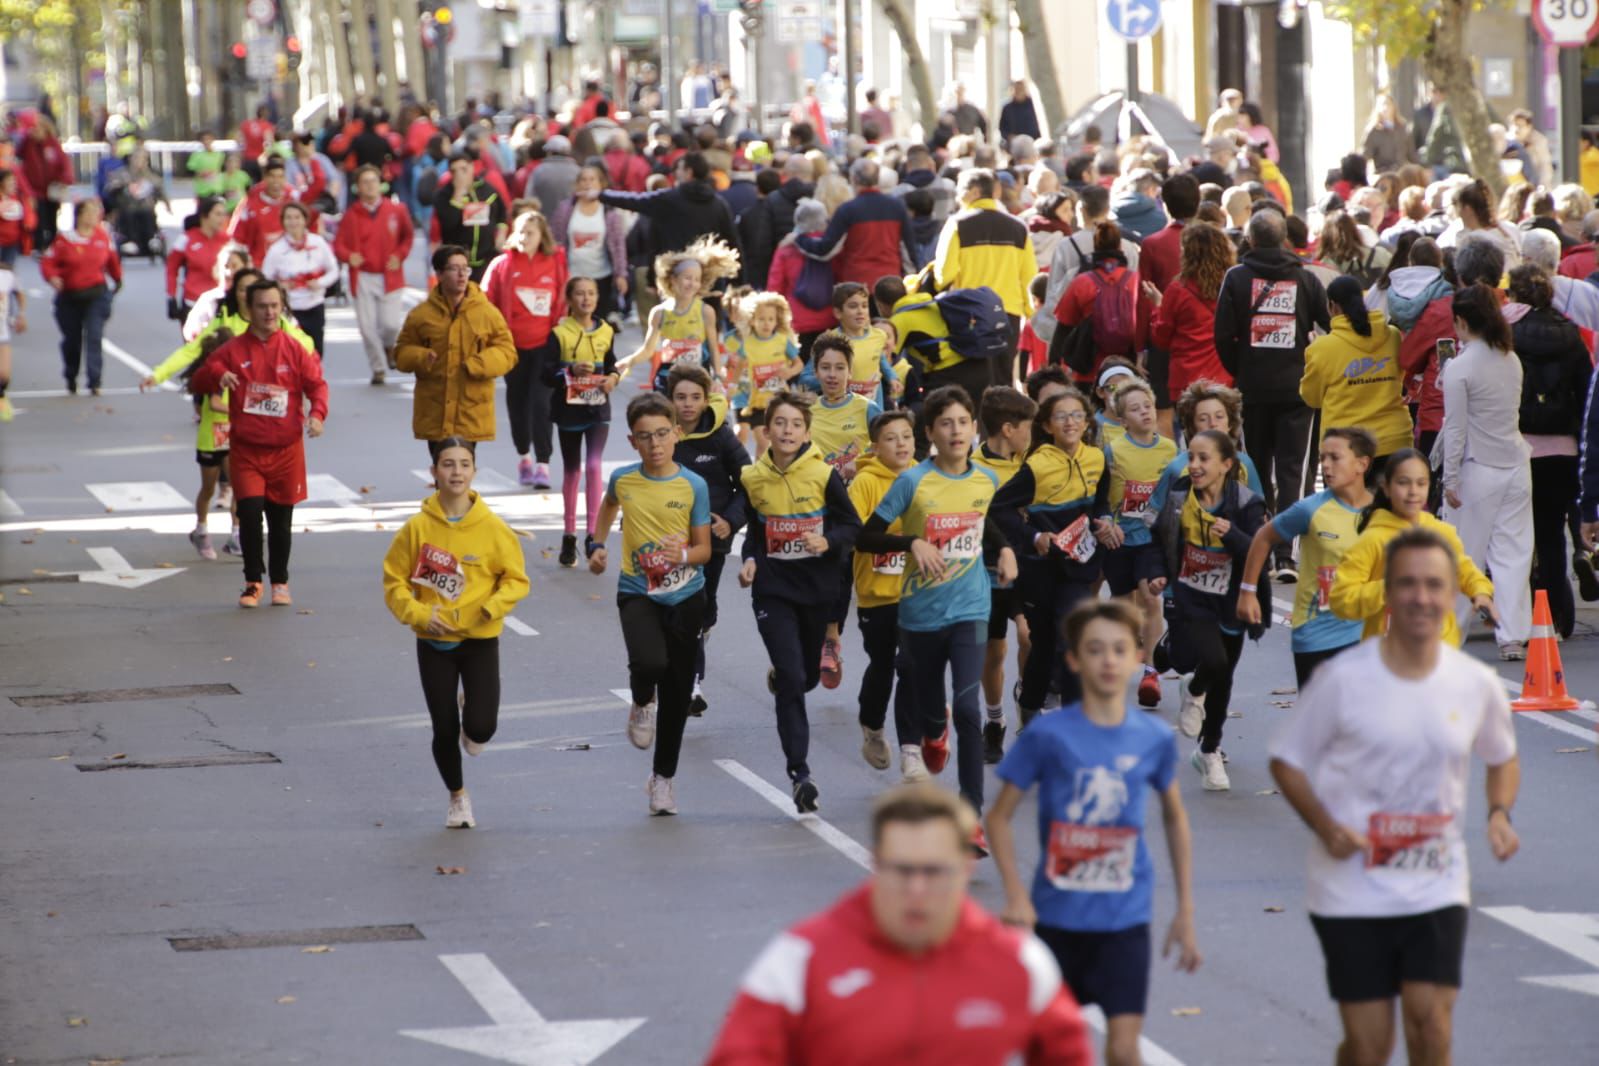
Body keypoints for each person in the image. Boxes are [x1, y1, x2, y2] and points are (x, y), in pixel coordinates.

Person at [1269, 526, 1519, 1066]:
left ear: (1452, 590)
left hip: (1435, 881)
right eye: (1406, 584)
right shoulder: (1342, 680)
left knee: (1431, 1027)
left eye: (1434, 584)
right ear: (1387, 591)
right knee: (1370, 1045)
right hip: (1351, 885)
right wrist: (1327, 827)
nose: (1421, 597)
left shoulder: (1474, 684)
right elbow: (1286, 762)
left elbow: (1501, 756)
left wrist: (1498, 813)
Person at [705, 783, 1093, 1065]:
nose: (917, 889)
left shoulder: (1020, 962)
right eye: (902, 870)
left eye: (934, 871)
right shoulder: (800, 960)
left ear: (964, 868)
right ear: (875, 863)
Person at [988, 600, 1200, 1066]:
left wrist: (1184, 909)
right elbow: (998, 817)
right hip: (1056, 923)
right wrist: (1015, 895)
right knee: (1050, 1051)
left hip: (1124, 923)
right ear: (1074, 660)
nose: (1107, 660)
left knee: (1124, 1050)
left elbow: (1174, 818)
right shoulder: (1048, 736)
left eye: (1119, 650)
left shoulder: (1155, 739)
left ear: (1134, 658)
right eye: (1095, 650)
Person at [857, 386, 1018, 844]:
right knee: (933, 711)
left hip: (970, 607)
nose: (956, 432)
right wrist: (911, 543)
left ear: (974, 428)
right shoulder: (912, 482)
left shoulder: (985, 479)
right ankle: (932, 729)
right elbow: (865, 538)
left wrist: (1005, 549)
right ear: (930, 432)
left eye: (963, 423)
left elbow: (985, 521)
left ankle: (971, 820)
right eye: (945, 423)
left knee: (969, 711)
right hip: (920, 615)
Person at [381, 437, 530, 829]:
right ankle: (457, 797)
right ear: (433, 473)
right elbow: (393, 581)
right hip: (434, 641)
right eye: (448, 464)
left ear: (474, 471)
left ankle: (473, 713)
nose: (457, 472)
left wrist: (489, 608)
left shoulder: (493, 529)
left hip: (480, 638)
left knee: (481, 728)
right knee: (443, 725)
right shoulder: (416, 529)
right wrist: (418, 613)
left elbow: (516, 580)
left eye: (465, 464)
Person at [586, 393, 712, 815]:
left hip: (685, 593)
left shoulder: (694, 484)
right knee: (648, 664)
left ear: (676, 433)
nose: (655, 444)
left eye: (662, 434)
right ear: (632, 441)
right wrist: (597, 544)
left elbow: (704, 551)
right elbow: (606, 508)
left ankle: (663, 780)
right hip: (638, 590)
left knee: (677, 693)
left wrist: (680, 556)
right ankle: (641, 702)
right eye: (644, 437)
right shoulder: (624, 479)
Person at [738, 391, 863, 811]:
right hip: (773, 589)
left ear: (807, 433)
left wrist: (827, 540)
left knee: (805, 677)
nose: (787, 431)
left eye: (795, 425)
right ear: (766, 430)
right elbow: (755, 532)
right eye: (780, 423)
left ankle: (792, 674)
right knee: (792, 678)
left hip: (817, 590)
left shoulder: (823, 475)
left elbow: (851, 525)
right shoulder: (753, 478)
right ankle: (800, 773)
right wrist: (750, 559)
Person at [189, 280, 329, 608]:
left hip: (286, 450)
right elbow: (199, 378)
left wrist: (317, 415)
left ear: (282, 308)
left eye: (274, 306)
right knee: (250, 513)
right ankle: (253, 581)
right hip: (247, 450)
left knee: (281, 520)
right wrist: (216, 376)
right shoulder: (234, 349)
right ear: (249, 310)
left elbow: (317, 385)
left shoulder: (294, 349)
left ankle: (280, 582)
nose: (269, 312)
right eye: (262, 306)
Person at [1214, 209, 1331, 581]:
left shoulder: (1236, 277)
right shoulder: (1305, 277)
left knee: (1258, 467)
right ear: (1284, 239)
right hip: (1297, 388)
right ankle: (1286, 555)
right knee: (1293, 470)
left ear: (1249, 239)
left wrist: (1242, 368)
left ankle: (1261, 550)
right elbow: (1328, 323)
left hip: (1253, 389)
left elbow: (1221, 335)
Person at [1150, 429, 1269, 791]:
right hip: (1192, 594)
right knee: (1214, 663)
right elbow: (1159, 537)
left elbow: (1257, 552)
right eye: (1191, 457)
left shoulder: (1247, 503)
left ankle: (1210, 750)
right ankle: (1195, 687)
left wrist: (1231, 534)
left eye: (1204, 459)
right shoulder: (1178, 496)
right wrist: (1156, 572)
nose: (1195, 465)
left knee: (1225, 678)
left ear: (1227, 465)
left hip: (1233, 599)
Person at [991, 387, 1108, 733]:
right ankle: (1029, 707)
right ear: (1047, 424)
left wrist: (1106, 522)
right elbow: (999, 508)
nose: (1070, 422)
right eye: (1061, 416)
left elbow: (1100, 503)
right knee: (1042, 646)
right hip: (1039, 570)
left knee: (1073, 638)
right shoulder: (1037, 465)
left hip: (1078, 567)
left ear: (1087, 422)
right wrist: (1035, 537)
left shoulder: (1097, 459)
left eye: (1076, 415)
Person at [1438, 284, 1532, 659]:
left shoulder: (1459, 368)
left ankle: (1452, 634)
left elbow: (1455, 429)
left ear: (1461, 321)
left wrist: (1449, 479)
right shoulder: (1511, 359)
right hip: (1515, 462)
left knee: (1464, 554)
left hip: (1477, 469)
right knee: (1513, 553)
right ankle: (1511, 634)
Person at [1239, 428, 1375, 687]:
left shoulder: (1382, 514)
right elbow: (1263, 537)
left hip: (1364, 632)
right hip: (1315, 633)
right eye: (1322, 458)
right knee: (1320, 722)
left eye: (1335, 458)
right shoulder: (1311, 509)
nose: (1325, 465)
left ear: (1362, 463)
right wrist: (1248, 591)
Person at [1506, 264, 1593, 638]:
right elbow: (1588, 391)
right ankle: (1555, 617)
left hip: (1520, 447)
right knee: (1552, 534)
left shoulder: (1506, 335)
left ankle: (1527, 612)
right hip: (1563, 449)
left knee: (1519, 536)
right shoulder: (1571, 334)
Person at [1330, 450, 1494, 648]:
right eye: (1403, 482)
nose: (1413, 491)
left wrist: (1481, 594)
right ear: (1387, 488)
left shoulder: (1442, 533)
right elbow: (1341, 599)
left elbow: (1465, 571)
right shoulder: (1373, 540)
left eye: (1421, 483)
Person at [668, 361, 749, 715]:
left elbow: (749, 483)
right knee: (687, 607)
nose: (687, 404)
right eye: (681, 397)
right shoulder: (662, 432)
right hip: (671, 539)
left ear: (706, 399)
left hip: (712, 539)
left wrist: (730, 521)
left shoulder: (720, 434)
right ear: (670, 400)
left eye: (695, 397)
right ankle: (690, 686)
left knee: (703, 608)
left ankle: (703, 628)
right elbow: (643, 482)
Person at [809, 335, 884, 688]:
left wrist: (861, 463)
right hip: (824, 509)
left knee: (854, 574)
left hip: (864, 506)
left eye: (840, 367)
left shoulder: (867, 409)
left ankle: (839, 640)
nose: (833, 374)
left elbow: (890, 450)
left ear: (851, 371)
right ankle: (830, 639)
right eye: (826, 367)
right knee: (833, 571)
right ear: (815, 371)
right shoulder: (807, 413)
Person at [848, 411, 919, 771]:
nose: (901, 444)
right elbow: (858, 538)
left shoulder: (927, 477)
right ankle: (873, 726)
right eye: (891, 438)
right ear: (875, 447)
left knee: (911, 664)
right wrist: (906, 543)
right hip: (877, 593)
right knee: (883, 664)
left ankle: (913, 742)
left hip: (918, 592)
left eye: (906, 436)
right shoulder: (865, 483)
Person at [395, 243, 518, 450]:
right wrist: (421, 357)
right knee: (442, 469)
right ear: (440, 274)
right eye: (454, 268)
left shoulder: (487, 312)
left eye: (465, 268)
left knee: (461, 469)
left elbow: (507, 352)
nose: (462, 274)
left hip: (471, 410)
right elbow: (400, 354)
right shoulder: (421, 315)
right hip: (435, 410)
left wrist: (479, 364)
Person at [482, 211, 568, 487]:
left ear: (542, 236)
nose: (523, 237)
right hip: (512, 346)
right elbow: (485, 302)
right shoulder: (501, 264)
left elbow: (564, 296)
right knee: (517, 404)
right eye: (519, 231)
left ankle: (543, 463)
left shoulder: (555, 261)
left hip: (545, 345)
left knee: (541, 404)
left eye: (530, 232)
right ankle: (524, 457)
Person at [541, 275, 619, 568]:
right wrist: (569, 370)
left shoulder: (606, 331)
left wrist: (612, 378)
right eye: (580, 294)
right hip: (569, 410)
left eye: (591, 293)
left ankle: (592, 536)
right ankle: (569, 534)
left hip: (598, 409)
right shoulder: (560, 333)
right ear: (569, 299)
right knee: (573, 471)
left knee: (596, 466)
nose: (586, 299)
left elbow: (612, 365)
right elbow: (546, 374)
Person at [935, 169, 1036, 381]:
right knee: (1003, 378)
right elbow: (1029, 278)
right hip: (1008, 312)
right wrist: (1030, 313)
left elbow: (944, 275)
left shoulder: (957, 224)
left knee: (973, 378)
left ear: (974, 191)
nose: (956, 197)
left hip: (970, 312)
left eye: (960, 191)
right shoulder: (1018, 227)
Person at [1300, 276, 1410, 468]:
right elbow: (1400, 380)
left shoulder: (1322, 348)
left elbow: (1312, 398)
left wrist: (1315, 352)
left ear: (1332, 306)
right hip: (1395, 440)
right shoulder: (1392, 336)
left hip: (1344, 447)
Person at [621, 237, 736, 393]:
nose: (692, 284)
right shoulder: (659, 313)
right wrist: (630, 361)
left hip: (697, 378)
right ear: (673, 280)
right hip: (667, 378)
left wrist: (717, 375)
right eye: (687, 278)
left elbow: (713, 348)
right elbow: (648, 350)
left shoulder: (705, 311)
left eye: (697, 279)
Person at [335, 165, 415, 385]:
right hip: (363, 276)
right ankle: (378, 367)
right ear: (358, 187)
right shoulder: (352, 214)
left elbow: (407, 237)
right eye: (365, 182)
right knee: (367, 327)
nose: (370, 186)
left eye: (373, 181)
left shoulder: (396, 210)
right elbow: (339, 244)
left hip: (390, 275)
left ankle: (389, 346)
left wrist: (399, 255)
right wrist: (349, 256)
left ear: (381, 184)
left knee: (390, 325)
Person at [1147, 222, 1235, 404]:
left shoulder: (1178, 290)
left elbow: (1161, 338)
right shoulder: (1232, 286)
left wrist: (1158, 306)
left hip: (1185, 379)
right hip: (1223, 377)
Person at [598, 152, 740, 265]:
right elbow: (733, 241)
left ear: (688, 172)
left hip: (677, 273)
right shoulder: (719, 203)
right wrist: (739, 280)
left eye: (679, 169)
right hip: (709, 274)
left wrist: (602, 195)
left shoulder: (669, 199)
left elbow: (635, 201)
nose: (675, 173)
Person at [41, 197, 121, 396]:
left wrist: (117, 280)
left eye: (97, 212)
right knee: (72, 339)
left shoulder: (103, 237)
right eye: (91, 212)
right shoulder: (65, 239)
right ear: (80, 215)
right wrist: (53, 278)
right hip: (70, 296)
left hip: (96, 293)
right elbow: (48, 262)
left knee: (94, 336)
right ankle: (71, 375)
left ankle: (95, 381)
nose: (95, 216)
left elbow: (112, 262)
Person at [794, 158, 912, 291]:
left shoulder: (847, 210)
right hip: (891, 282)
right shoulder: (897, 207)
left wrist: (800, 239)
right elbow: (908, 248)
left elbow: (825, 249)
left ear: (854, 179)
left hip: (857, 284)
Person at [1053, 221, 1151, 381]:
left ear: (1095, 247)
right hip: (1131, 371)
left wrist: (1055, 370)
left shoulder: (1081, 282)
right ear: (1120, 247)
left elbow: (1062, 330)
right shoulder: (1136, 281)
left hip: (1090, 373)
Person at [549, 163, 629, 325]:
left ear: (601, 184)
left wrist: (621, 274)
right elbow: (555, 240)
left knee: (598, 323)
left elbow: (618, 245)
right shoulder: (566, 209)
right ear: (577, 184)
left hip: (601, 276)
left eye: (592, 180)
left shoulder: (608, 213)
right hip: (572, 275)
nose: (588, 184)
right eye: (583, 180)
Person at [725, 290, 803, 454]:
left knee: (763, 441)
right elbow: (738, 366)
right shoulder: (746, 343)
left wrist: (789, 372)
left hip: (770, 398)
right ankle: (740, 470)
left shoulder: (782, 341)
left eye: (771, 319)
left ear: (777, 321)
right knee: (742, 434)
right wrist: (731, 386)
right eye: (761, 319)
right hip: (747, 397)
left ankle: (760, 474)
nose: (766, 323)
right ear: (752, 320)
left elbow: (799, 364)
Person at [259, 202, 339, 357]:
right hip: (289, 309)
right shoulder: (276, 250)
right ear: (283, 222)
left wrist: (319, 283)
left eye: (297, 217)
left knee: (315, 352)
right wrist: (280, 286)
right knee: (291, 353)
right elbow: (265, 279)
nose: (293, 222)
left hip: (314, 304)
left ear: (305, 220)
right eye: (288, 218)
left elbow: (333, 270)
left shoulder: (317, 242)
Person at [767, 199, 838, 360]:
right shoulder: (833, 247)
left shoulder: (787, 247)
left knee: (799, 367)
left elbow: (775, 286)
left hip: (796, 319)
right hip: (830, 318)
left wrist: (774, 317)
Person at [429, 152, 508, 284]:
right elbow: (448, 223)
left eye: (464, 169)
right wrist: (458, 195)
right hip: (457, 261)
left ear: (472, 167)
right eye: (454, 171)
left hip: (485, 258)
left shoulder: (487, 190)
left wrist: (501, 233)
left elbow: (502, 212)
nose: (460, 175)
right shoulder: (443, 195)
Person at [165, 196, 232, 331]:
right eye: (217, 214)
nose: (222, 219)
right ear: (204, 216)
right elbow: (172, 269)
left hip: (220, 304)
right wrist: (171, 296)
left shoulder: (228, 241)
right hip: (192, 302)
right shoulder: (186, 239)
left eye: (224, 215)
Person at [227, 157, 301, 267]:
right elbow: (237, 237)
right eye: (272, 176)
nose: (276, 181)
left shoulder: (294, 198)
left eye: (280, 176)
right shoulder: (250, 202)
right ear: (264, 177)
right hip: (260, 265)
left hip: (291, 264)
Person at [1438, 179, 1521, 270]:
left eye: (1458, 207)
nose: (1458, 214)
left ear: (1467, 209)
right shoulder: (1510, 229)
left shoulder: (1470, 239)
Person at [20, 116, 71, 252]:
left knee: (51, 215)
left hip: (52, 188)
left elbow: (64, 163)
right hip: (35, 189)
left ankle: (52, 243)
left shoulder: (52, 144)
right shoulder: (28, 144)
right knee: (39, 215)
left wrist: (64, 180)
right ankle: (39, 243)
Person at [1362, 92, 1419, 173]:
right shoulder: (1373, 131)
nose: (1385, 108)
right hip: (1383, 174)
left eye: (1388, 104)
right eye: (1382, 105)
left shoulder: (1403, 129)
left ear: (1394, 107)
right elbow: (1366, 155)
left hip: (1401, 173)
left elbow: (1412, 155)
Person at [0, 253, 23, 421]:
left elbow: (19, 294)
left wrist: (21, 315)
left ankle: (1, 396)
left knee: (4, 374)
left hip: (2, 331)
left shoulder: (6, 275)